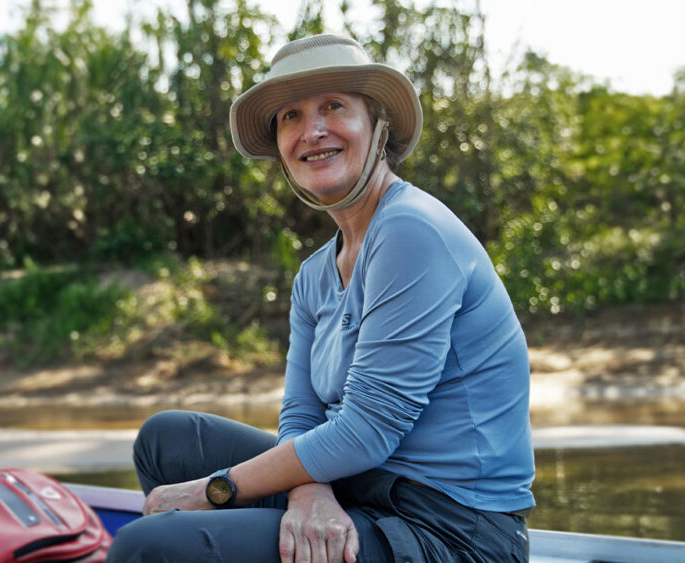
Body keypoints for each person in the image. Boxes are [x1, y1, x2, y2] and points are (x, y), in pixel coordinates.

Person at [105, 34, 535, 563]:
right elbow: (301, 412)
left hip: (451, 529)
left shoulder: (411, 229)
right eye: (291, 115)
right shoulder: (313, 274)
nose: (312, 131)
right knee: (165, 439)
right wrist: (309, 491)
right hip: (362, 484)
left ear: (377, 125)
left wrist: (213, 490)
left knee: (148, 547)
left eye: (334, 106)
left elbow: (369, 428)